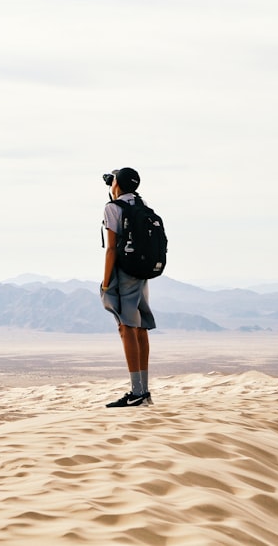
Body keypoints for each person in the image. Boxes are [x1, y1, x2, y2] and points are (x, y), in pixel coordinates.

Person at [100, 167, 156, 408]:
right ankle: (143, 391)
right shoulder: (141, 206)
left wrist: (105, 281)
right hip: (142, 273)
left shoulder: (113, 208)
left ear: (117, 185)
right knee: (140, 327)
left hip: (124, 274)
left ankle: (137, 392)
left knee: (126, 327)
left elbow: (111, 248)